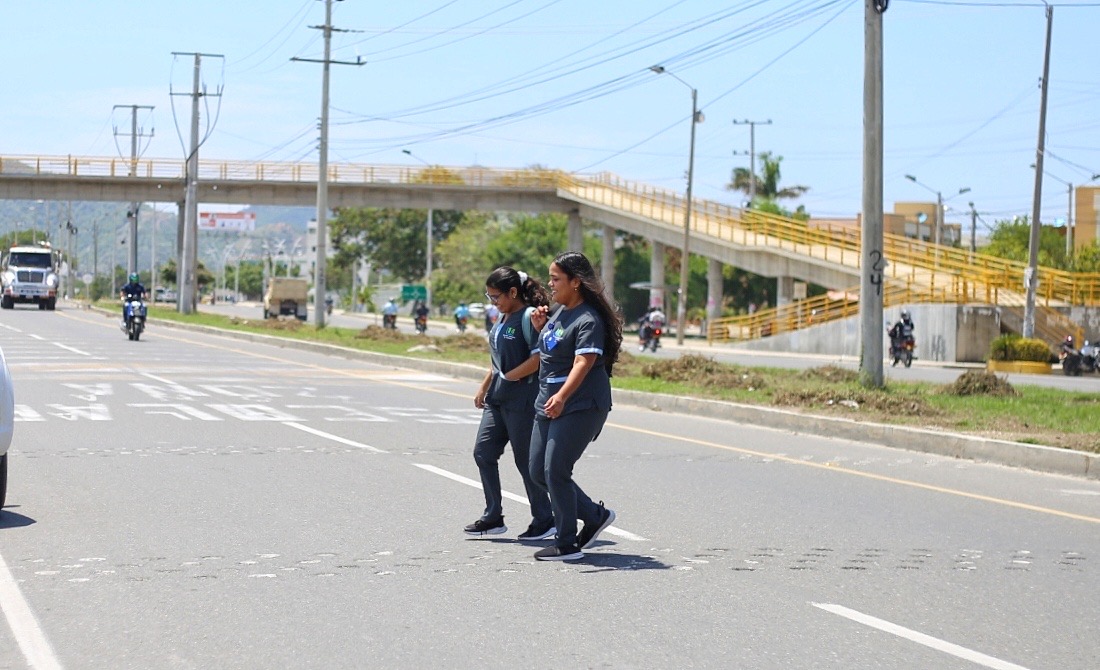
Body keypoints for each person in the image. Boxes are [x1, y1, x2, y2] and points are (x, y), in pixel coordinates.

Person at [527, 251, 623, 561]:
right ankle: (595, 516)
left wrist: (563, 396)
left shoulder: (588, 319)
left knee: (555, 469)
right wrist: (541, 327)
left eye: (556, 279)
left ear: (576, 283)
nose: (550, 285)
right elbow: (555, 352)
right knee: (538, 471)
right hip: (549, 402)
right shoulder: (559, 312)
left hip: (581, 404)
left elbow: (584, 361)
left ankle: (566, 542)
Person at [464, 267, 555, 541]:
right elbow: (497, 361)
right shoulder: (503, 318)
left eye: (496, 297)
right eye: (489, 297)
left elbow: (539, 357)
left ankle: (544, 519)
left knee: (526, 461)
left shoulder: (528, 317)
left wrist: (510, 376)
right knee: (483, 453)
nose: (494, 302)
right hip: (497, 399)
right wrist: (485, 386)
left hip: (522, 400)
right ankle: (493, 516)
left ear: (513, 292)